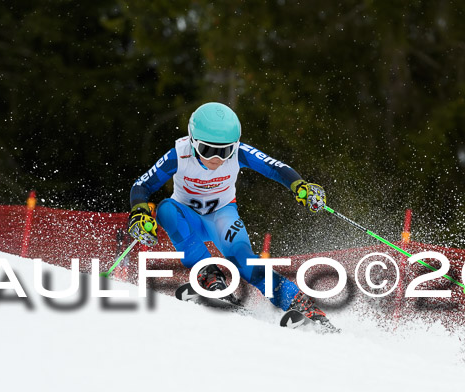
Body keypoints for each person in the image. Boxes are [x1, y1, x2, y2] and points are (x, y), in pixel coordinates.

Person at [127, 102, 338, 332]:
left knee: (244, 260)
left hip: (221, 217)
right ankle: (210, 277)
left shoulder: (239, 152)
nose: (217, 158)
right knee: (166, 209)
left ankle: (300, 303)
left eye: (225, 151)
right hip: (188, 220)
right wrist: (139, 211)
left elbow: (274, 166)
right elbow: (142, 185)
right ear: (193, 141)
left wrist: (299, 186)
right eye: (208, 150)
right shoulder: (179, 154)